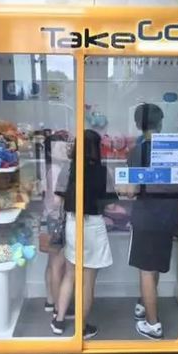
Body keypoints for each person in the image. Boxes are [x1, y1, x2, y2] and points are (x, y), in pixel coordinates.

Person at [121, 103, 178, 340]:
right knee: (155, 265)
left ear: (138, 124)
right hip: (169, 214)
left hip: (147, 215)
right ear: (161, 123)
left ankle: (152, 324)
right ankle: (142, 304)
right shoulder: (174, 148)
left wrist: (122, 188)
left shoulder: (138, 151)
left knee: (146, 270)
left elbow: (131, 189)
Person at [51, 129, 113, 339]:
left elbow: (57, 201)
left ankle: (59, 321)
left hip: (72, 224)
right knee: (87, 282)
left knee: (70, 274)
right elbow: (110, 204)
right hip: (93, 226)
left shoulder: (68, 168)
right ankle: (82, 328)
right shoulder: (102, 172)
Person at [41, 133, 73, 319]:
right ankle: (58, 308)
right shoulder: (56, 170)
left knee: (52, 262)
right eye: (59, 148)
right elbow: (55, 200)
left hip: (50, 219)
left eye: (65, 146)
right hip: (57, 220)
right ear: (50, 151)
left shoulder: (51, 168)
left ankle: (50, 300)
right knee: (57, 265)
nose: (65, 150)